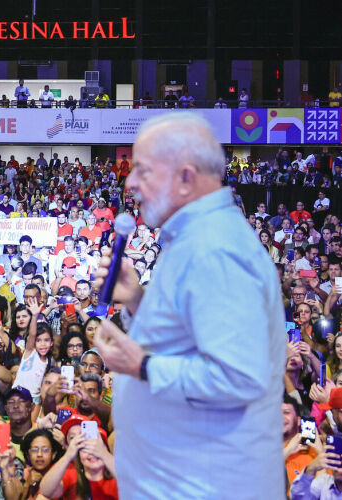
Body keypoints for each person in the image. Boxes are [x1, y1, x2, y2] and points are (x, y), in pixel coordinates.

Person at [94, 112, 285, 498]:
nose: (129, 182)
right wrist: (137, 300)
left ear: (185, 177)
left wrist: (142, 365)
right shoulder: (194, 240)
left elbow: (239, 377)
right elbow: (192, 338)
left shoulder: (214, 249)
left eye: (142, 171)